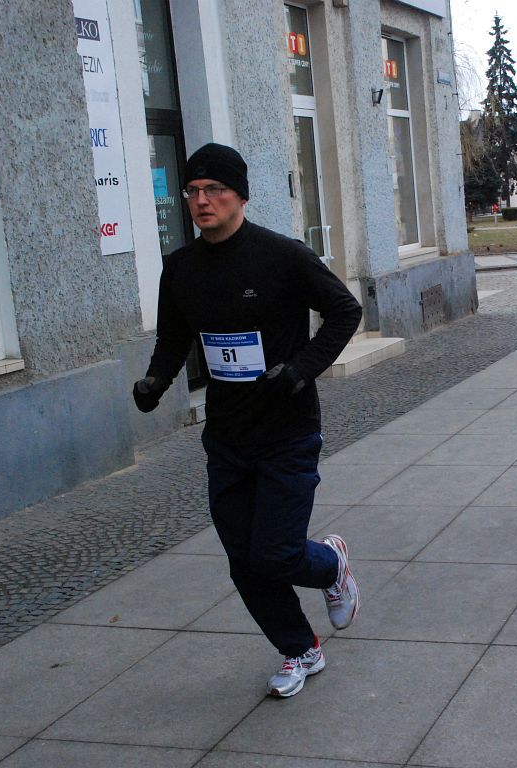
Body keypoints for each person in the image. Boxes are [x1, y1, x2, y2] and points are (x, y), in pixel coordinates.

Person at [132, 143, 363, 699]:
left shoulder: (282, 256)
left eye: (215, 190)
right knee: (244, 561)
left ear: (240, 195)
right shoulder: (181, 269)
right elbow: (175, 337)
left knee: (276, 554)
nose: (202, 200)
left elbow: (345, 310)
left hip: (287, 431)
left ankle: (330, 565)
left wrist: (300, 370)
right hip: (227, 437)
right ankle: (299, 649)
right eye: (193, 191)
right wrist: (156, 380)